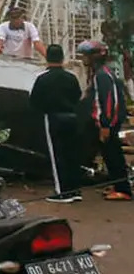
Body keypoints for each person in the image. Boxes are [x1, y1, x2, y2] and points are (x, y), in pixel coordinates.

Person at [31, 44, 85, 203]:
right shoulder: (71, 77)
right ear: (62, 58)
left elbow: (34, 101)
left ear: (47, 58)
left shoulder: (42, 78)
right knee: (72, 154)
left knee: (57, 155)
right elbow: (78, 96)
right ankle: (75, 190)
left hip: (53, 117)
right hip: (72, 117)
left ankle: (62, 192)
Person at [79, 40, 131, 201]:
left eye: (86, 56)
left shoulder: (102, 75)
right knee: (109, 155)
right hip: (106, 123)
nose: (83, 59)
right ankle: (118, 185)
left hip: (107, 124)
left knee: (113, 155)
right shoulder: (101, 73)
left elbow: (108, 101)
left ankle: (124, 190)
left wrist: (105, 125)